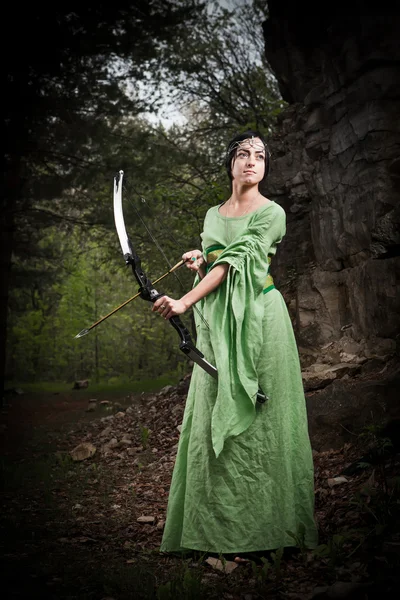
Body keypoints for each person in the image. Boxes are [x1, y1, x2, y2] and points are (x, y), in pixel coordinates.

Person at [152, 130, 318, 560]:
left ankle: (271, 529)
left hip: (261, 320)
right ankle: (212, 532)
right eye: (243, 154)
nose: (251, 162)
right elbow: (217, 257)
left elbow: (238, 260)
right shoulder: (212, 214)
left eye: (260, 156)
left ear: (265, 166)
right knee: (212, 413)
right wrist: (200, 258)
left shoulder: (273, 213)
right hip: (216, 328)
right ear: (230, 163)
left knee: (266, 418)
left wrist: (185, 299)